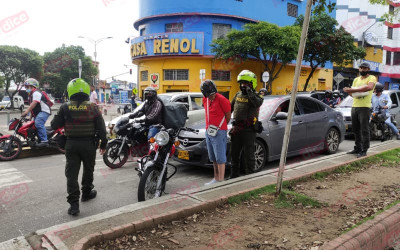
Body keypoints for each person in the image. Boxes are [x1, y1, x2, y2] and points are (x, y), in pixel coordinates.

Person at [50, 78, 108, 216]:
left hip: (71, 144)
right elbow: (101, 128)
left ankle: (74, 205)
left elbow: (53, 125)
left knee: (71, 174)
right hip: (89, 144)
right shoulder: (93, 107)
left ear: (70, 91)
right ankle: (86, 193)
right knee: (89, 170)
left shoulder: (65, 107)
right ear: (86, 90)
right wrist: (103, 144)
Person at [230, 70, 264, 178]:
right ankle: (233, 176)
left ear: (252, 84)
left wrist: (250, 92)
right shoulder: (237, 95)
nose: (243, 86)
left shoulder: (257, 96)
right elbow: (229, 108)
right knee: (234, 155)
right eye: (242, 83)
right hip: (236, 129)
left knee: (249, 156)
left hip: (249, 130)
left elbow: (257, 103)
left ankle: (250, 178)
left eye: (246, 83)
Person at [200, 80, 231, 185]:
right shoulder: (205, 100)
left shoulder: (222, 100)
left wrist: (221, 127)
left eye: (213, 94)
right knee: (213, 157)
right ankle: (216, 178)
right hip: (209, 131)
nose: (211, 97)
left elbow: (228, 115)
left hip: (219, 132)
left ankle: (221, 180)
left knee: (220, 158)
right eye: (209, 95)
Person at [343, 62, 376, 158]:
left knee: (365, 129)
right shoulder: (356, 79)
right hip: (354, 106)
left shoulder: (372, 78)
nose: (362, 70)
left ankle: (364, 150)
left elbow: (369, 87)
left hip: (365, 107)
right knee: (356, 129)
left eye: (364, 68)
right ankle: (357, 147)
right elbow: (352, 95)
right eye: (361, 68)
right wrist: (348, 91)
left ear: (368, 69)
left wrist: (352, 90)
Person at [21, 78, 51, 147]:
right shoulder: (31, 95)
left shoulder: (36, 93)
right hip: (39, 112)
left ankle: (44, 141)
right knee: (33, 125)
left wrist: (26, 112)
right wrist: (30, 118)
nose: (26, 89)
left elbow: (34, 103)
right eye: (26, 87)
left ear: (32, 86)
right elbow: (33, 108)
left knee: (38, 123)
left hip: (44, 111)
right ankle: (39, 139)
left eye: (27, 87)